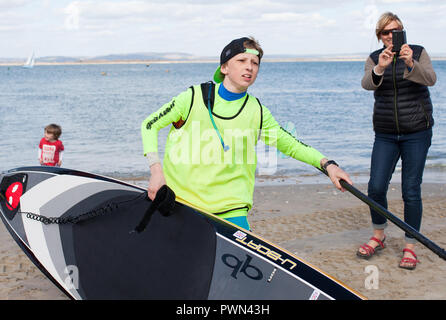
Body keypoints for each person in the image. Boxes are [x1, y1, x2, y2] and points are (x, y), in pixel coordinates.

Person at [141, 36, 352, 231]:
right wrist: (156, 171)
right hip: (182, 203)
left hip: (232, 210)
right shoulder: (193, 97)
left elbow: (291, 145)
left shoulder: (258, 112)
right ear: (224, 67)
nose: (249, 67)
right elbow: (149, 125)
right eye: (242, 60)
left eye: (255, 63)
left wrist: (327, 165)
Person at [358, 12, 436, 270]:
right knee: (376, 187)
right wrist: (380, 66)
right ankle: (379, 235)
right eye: (386, 32)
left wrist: (410, 63)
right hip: (386, 133)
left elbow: (431, 80)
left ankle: (410, 245)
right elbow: (367, 85)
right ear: (379, 36)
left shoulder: (418, 52)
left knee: (410, 190)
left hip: (417, 132)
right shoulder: (373, 58)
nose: (392, 36)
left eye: (397, 30)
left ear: (402, 32)